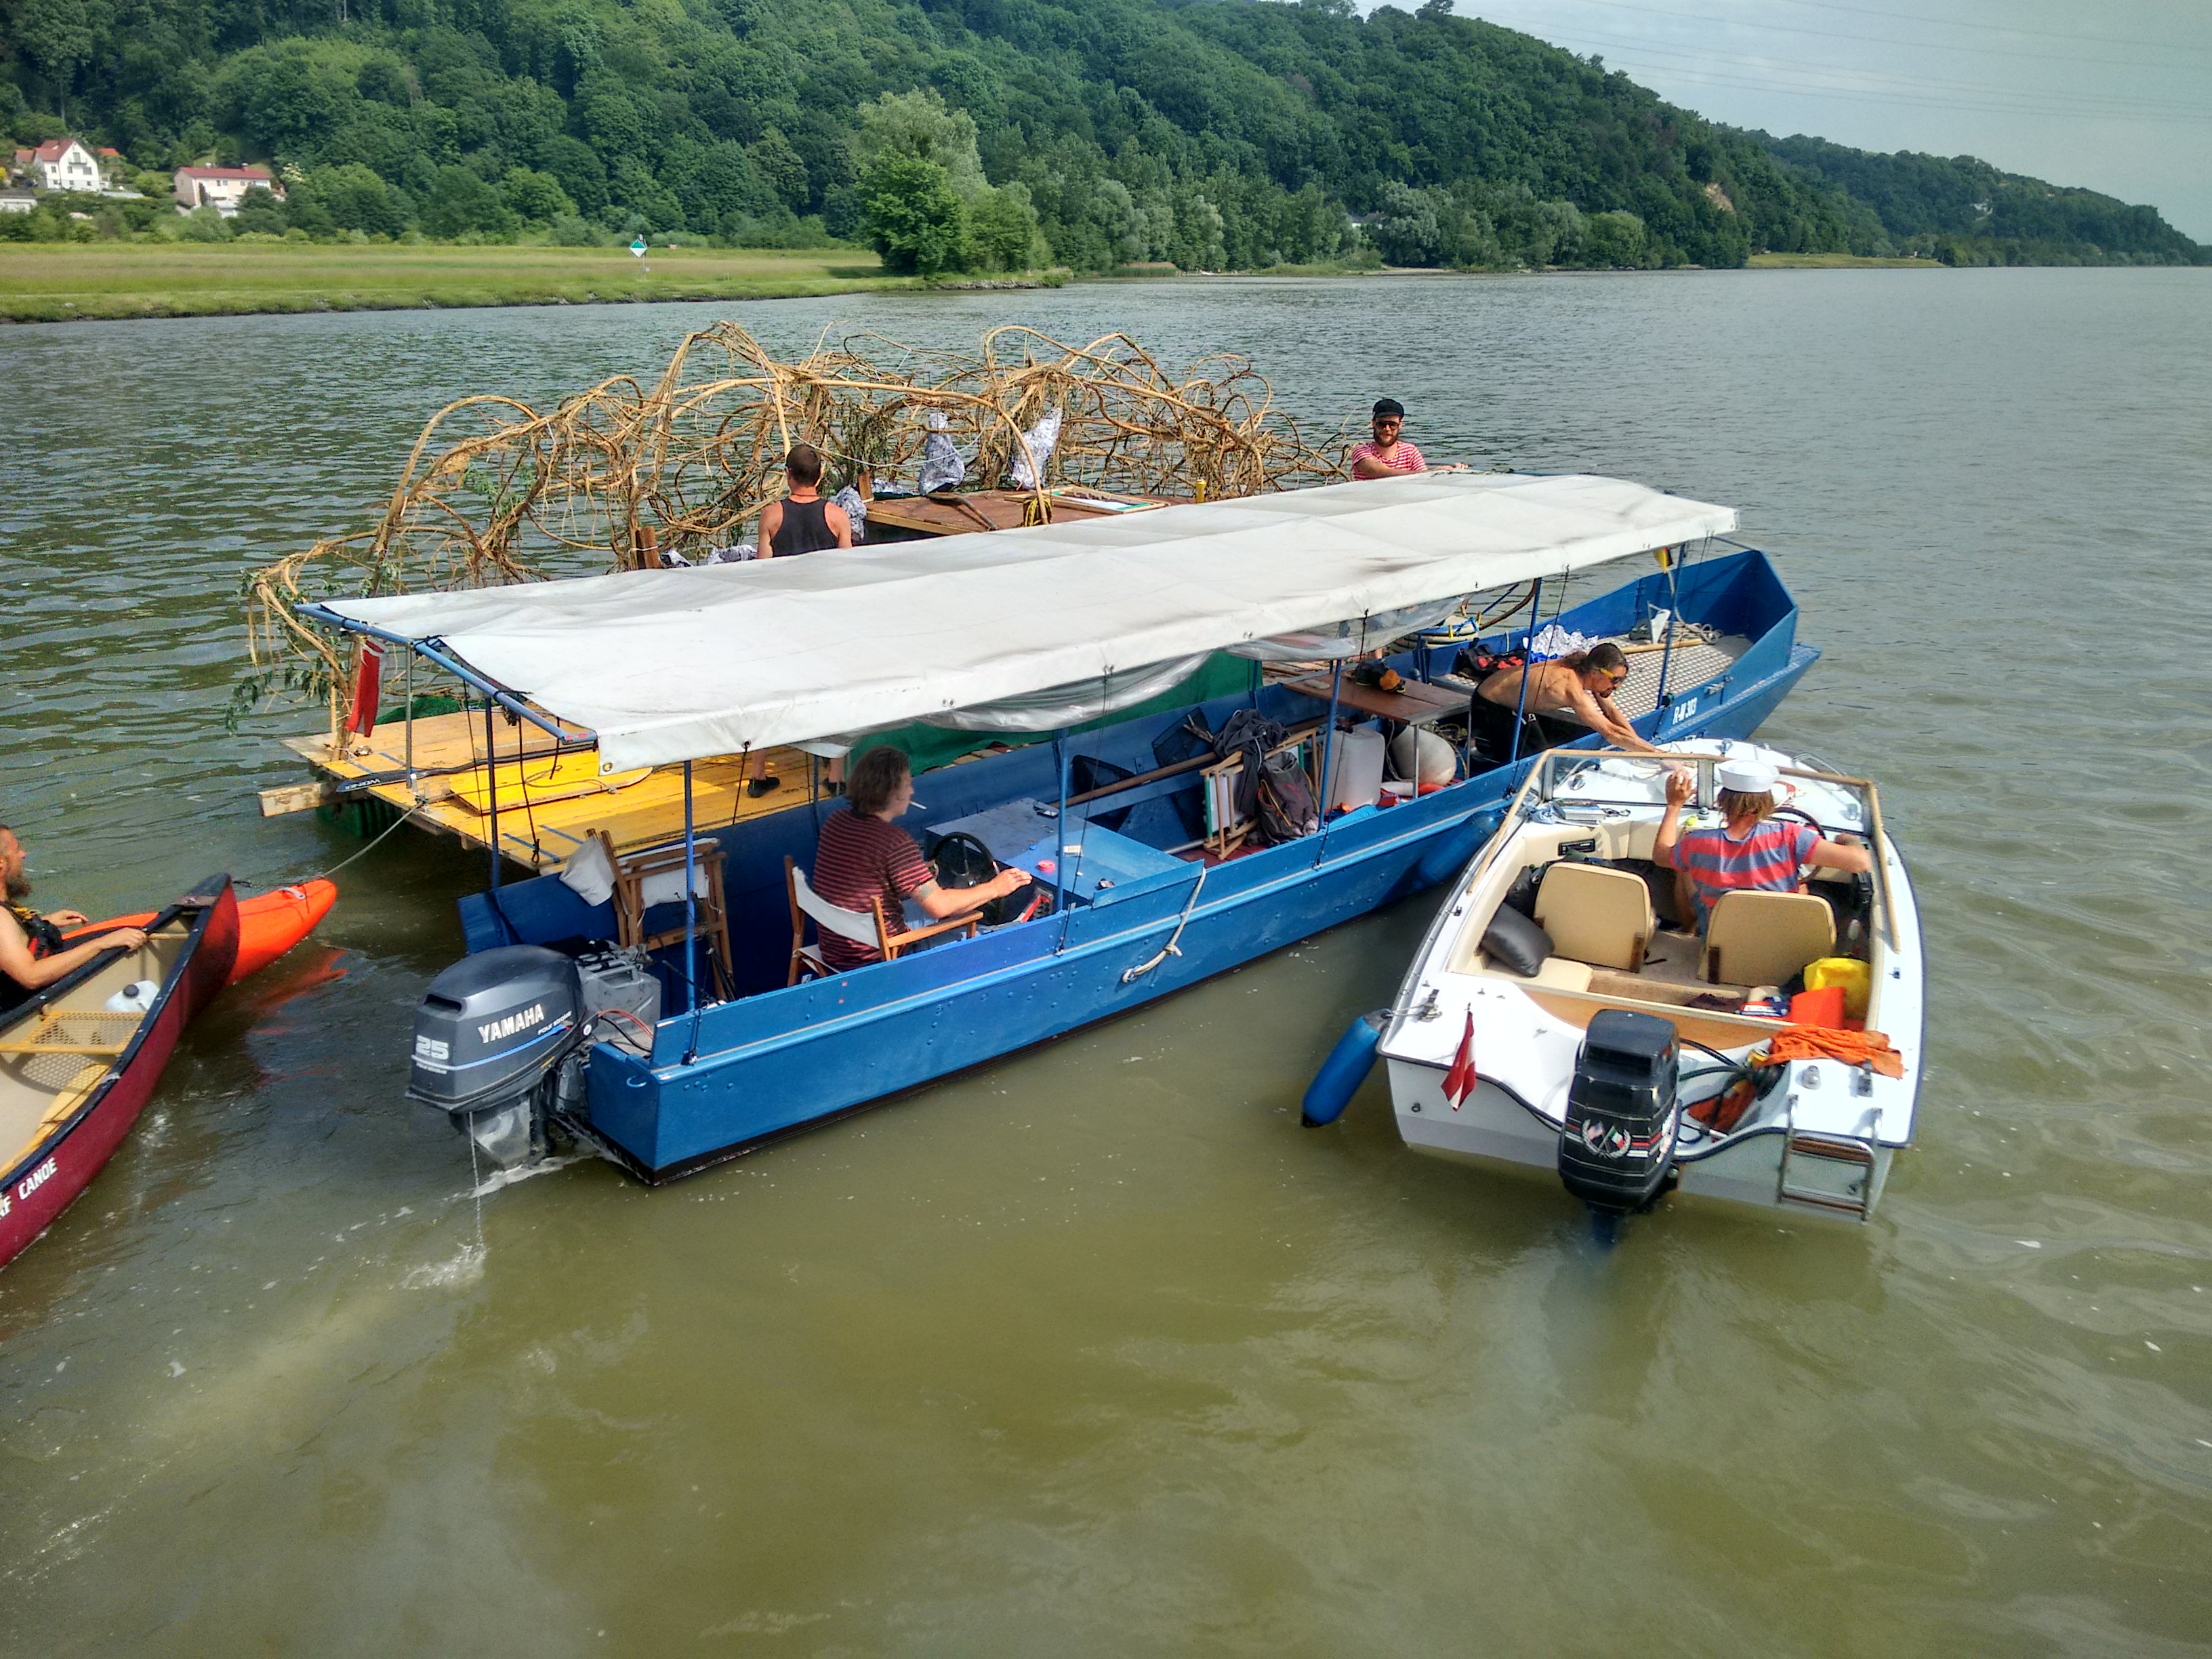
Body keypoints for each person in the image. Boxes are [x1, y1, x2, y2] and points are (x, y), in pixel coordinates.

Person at [807, 747, 1031, 972]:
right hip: (879, 956)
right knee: (989, 934)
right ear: (893, 792)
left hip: (836, 948)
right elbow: (940, 907)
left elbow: (867, 872)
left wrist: (915, 874)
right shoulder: (895, 842)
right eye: (908, 784)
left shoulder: (836, 821)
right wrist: (996, 887)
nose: (912, 791)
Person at [747, 443, 856, 796]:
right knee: (835, 691)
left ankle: (759, 774)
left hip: (783, 617)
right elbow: (847, 574)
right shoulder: (838, 516)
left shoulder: (772, 516)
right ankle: (836, 775)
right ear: (821, 475)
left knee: (772, 692)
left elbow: (764, 573)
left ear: (788, 475)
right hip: (825, 618)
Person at [1653, 758, 1873, 931]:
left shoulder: (1696, 843)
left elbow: (1661, 856)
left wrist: (1674, 805)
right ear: (1767, 802)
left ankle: (1689, 928)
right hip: (1777, 941)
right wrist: (1848, 840)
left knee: (1685, 870)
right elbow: (1861, 863)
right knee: (1802, 887)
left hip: (1723, 941)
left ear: (1723, 801)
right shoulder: (1791, 836)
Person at [0, 823, 147, 1013]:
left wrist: (43, 924)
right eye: (17, 850)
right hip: (17, 1010)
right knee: (114, 943)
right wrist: (101, 944)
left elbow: (9, 940)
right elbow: (31, 976)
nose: (23, 855)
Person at [1474, 642, 1660, 756]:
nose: (1617, 686)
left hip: (1512, 702)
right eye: (1615, 679)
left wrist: (1643, 747)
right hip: (1489, 704)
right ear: (1596, 672)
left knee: (1540, 750)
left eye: (1622, 680)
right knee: (1531, 761)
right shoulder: (1572, 687)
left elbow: (1611, 712)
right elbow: (1611, 733)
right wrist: (1662, 756)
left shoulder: (1586, 670)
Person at [1349, 398, 1426, 478]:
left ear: (1400, 425)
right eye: (1382, 424)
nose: (1387, 429)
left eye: (1392, 424)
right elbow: (1378, 472)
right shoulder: (1361, 451)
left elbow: (1424, 480)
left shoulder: (1411, 452)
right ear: (1373, 423)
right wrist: (1426, 473)